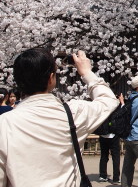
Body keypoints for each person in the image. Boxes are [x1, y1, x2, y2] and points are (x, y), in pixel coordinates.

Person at [0, 48, 119, 186]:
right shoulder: (74, 113)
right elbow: (108, 100)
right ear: (51, 78)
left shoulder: (4, 123)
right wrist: (87, 73)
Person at [97, 94, 125, 183]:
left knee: (104, 156)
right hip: (113, 135)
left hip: (103, 134)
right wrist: (122, 102)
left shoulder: (102, 107)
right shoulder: (115, 107)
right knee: (116, 157)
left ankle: (102, 175)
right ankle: (116, 178)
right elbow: (123, 113)